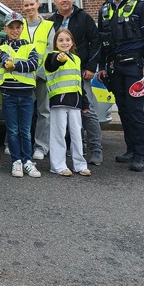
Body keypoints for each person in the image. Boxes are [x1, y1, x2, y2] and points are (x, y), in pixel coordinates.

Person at [97, 0, 144, 172]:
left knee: (135, 111)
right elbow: (102, 41)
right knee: (123, 110)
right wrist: (102, 67)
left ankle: (140, 154)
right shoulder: (104, 9)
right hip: (115, 68)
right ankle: (131, 149)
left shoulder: (140, 6)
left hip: (135, 67)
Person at [49, 0, 104, 165]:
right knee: (69, 114)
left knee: (88, 112)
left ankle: (96, 149)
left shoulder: (83, 17)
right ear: (55, 1)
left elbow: (96, 42)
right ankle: (77, 148)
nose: (65, 0)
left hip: (81, 72)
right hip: (61, 75)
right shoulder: (52, 21)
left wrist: (91, 66)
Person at [0, 11, 40, 178]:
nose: (15, 30)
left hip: (27, 94)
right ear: (5, 29)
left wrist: (15, 66)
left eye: (18, 27)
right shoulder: (1, 48)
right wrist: (18, 64)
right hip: (9, 94)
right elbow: (4, 60)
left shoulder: (30, 47)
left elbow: (33, 64)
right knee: (13, 130)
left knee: (25, 130)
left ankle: (27, 160)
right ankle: (16, 161)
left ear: (22, 28)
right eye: (11, 27)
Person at [44, 29, 92, 177]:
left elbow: (79, 82)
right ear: (55, 43)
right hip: (59, 100)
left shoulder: (76, 59)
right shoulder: (52, 56)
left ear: (72, 42)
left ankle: (80, 164)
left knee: (77, 133)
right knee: (59, 133)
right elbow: (51, 65)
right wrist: (58, 59)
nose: (64, 43)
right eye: (61, 40)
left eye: (67, 40)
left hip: (75, 101)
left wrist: (84, 103)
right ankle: (58, 166)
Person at [20, 0, 54, 161]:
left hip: (42, 76)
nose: (29, 8)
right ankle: (17, 143)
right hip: (23, 77)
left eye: (32, 4)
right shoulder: (19, 26)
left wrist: (38, 73)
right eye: (26, 5)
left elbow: (51, 50)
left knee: (44, 112)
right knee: (22, 110)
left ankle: (41, 147)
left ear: (38, 4)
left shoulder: (48, 26)